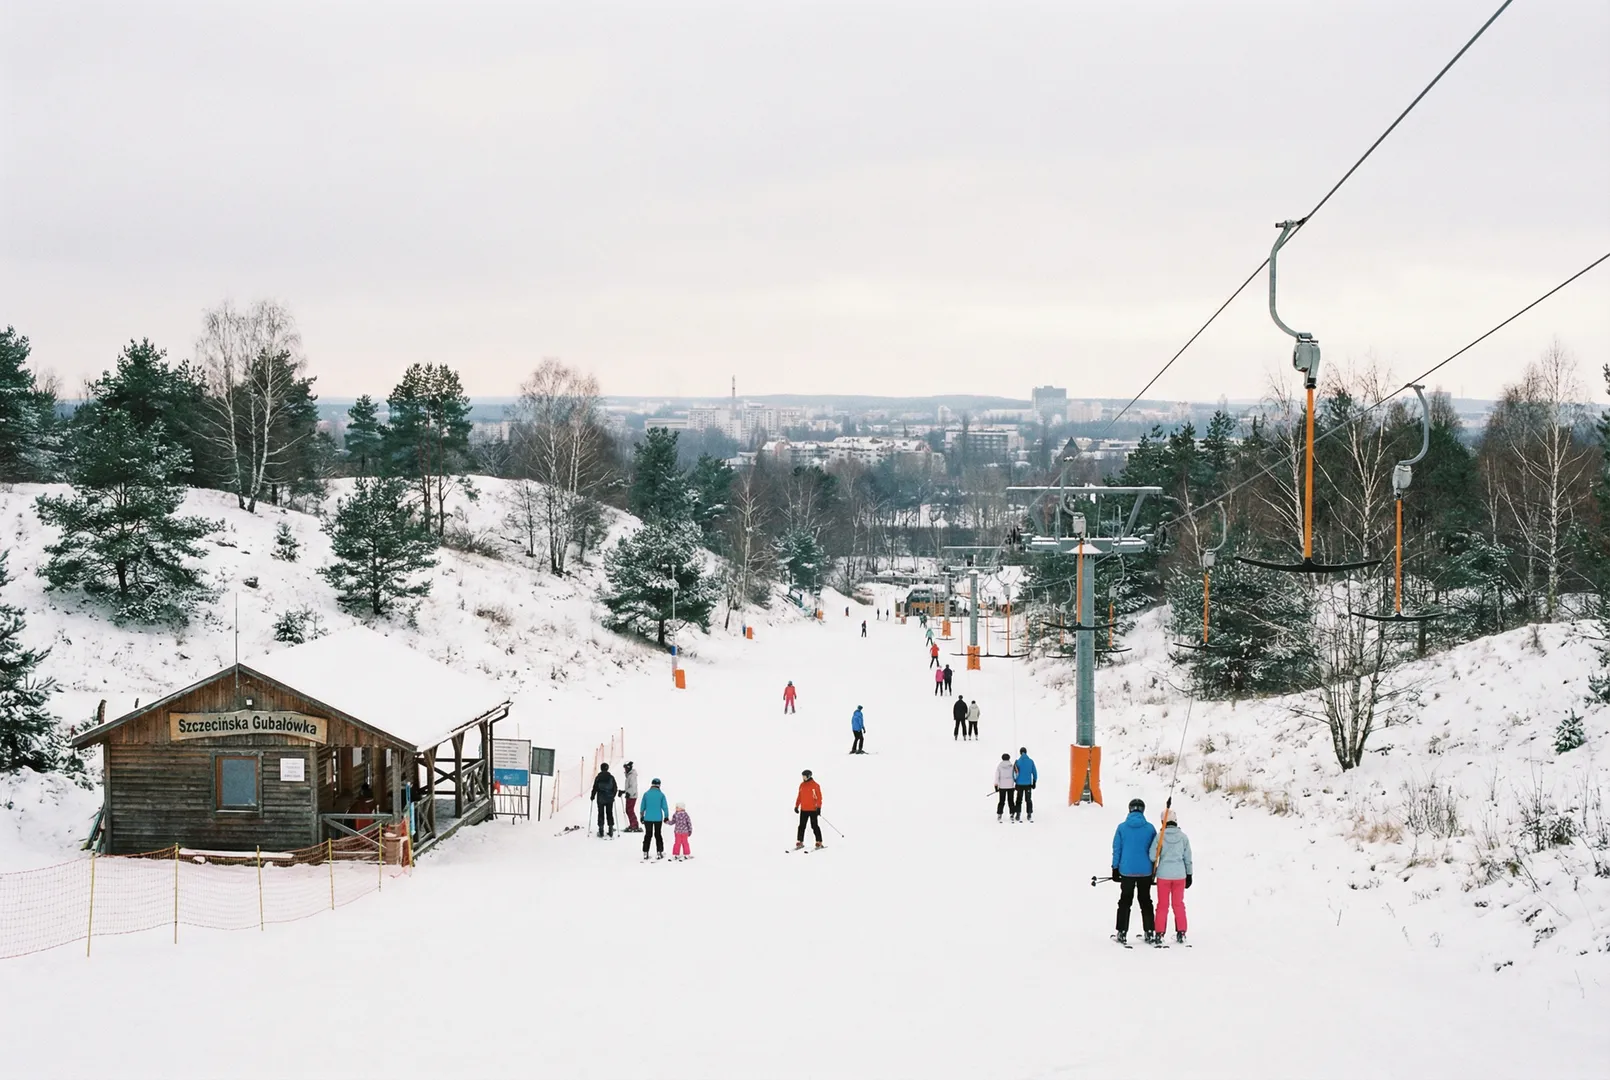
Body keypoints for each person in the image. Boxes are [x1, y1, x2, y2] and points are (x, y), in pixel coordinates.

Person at [1112, 797, 1159, 945]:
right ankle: (1150, 931)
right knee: (1145, 901)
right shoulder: (1150, 828)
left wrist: (1115, 868)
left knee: (1125, 901)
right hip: (1145, 871)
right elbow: (1155, 850)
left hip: (1127, 871)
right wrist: (1154, 870)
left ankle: (1122, 932)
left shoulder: (1122, 827)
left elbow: (1117, 849)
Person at [1149, 809, 1193, 944]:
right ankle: (1181, 932)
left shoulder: (1160, 837)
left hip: (1164, 875)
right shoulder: (1183, 837)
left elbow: (1152, 856)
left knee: (1162, 905)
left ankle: (1159, 933)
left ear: (1163, 821)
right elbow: (1188, 858)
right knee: (1178, 904)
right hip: (1180, 875)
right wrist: (1189, 874)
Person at [639, 778, 670, 859]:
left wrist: (642, 816)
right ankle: (659, 852)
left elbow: (642, 807)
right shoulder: (661, 795)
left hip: (648, 818)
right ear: (659, 785)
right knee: (658, 834)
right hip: (658, 818)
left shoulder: (646, 794)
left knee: (648, 835)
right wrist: (666, 817)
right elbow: (665, 807)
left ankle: (645, 852)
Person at [795, 769, 824, 849]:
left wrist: (818, 807)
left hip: (813, 809)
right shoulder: (802, 785)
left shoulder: (815, 785)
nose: (803, 778)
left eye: (804, 776)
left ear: (808, 776)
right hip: (804, 809)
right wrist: (796, 806)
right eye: (802, 776)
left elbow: (819, 798)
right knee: (801, 826)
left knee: (814, 826)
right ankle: (800, 841)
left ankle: (819, 841)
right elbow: (799, 796)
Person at [590, 763, 618, 838]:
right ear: (607, 768)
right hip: (609, 798)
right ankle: (611, 829)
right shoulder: (611, 777)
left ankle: (601, 830)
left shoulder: (598, 777)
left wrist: (592, 796)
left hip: (600, 798)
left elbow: (595, 788)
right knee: (609, 813)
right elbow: (615, 788)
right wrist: (612, 795)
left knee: (601, 813)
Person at [1013, 745, 1035, 821]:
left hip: (1019, 784)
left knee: (1019, 799)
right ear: (1026, 752)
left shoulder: (1017, 762)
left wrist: (1015, 782)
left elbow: (1014, 774)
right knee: (1028, 799)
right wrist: (1034, 782)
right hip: (1028, 784)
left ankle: (1018, 814)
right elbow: (1034, 773)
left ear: (1020, 753)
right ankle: (1029, 814)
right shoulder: (1031, 761)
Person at [994, 753, 1016, 822]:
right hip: (1010, 786)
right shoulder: (1012, 766)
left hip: (1002, 786)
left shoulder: (999, 766)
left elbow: (997, 776)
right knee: (1011, 801)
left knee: (1001, 801)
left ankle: (999, 814)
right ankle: (1012, 813)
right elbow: (1015, 775)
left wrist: (996, 785)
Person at [622, 761, 641, 832]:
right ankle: (633, 824)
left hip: (632, 795)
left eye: (625, 768)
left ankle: (634, 825)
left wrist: (627, 792)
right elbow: (629, 786)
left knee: (629, 810)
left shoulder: (632, 775)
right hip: (630, 795)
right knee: (629, 810)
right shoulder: (629, 775)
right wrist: (624, 792)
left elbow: (633, 787)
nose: (625, 769)